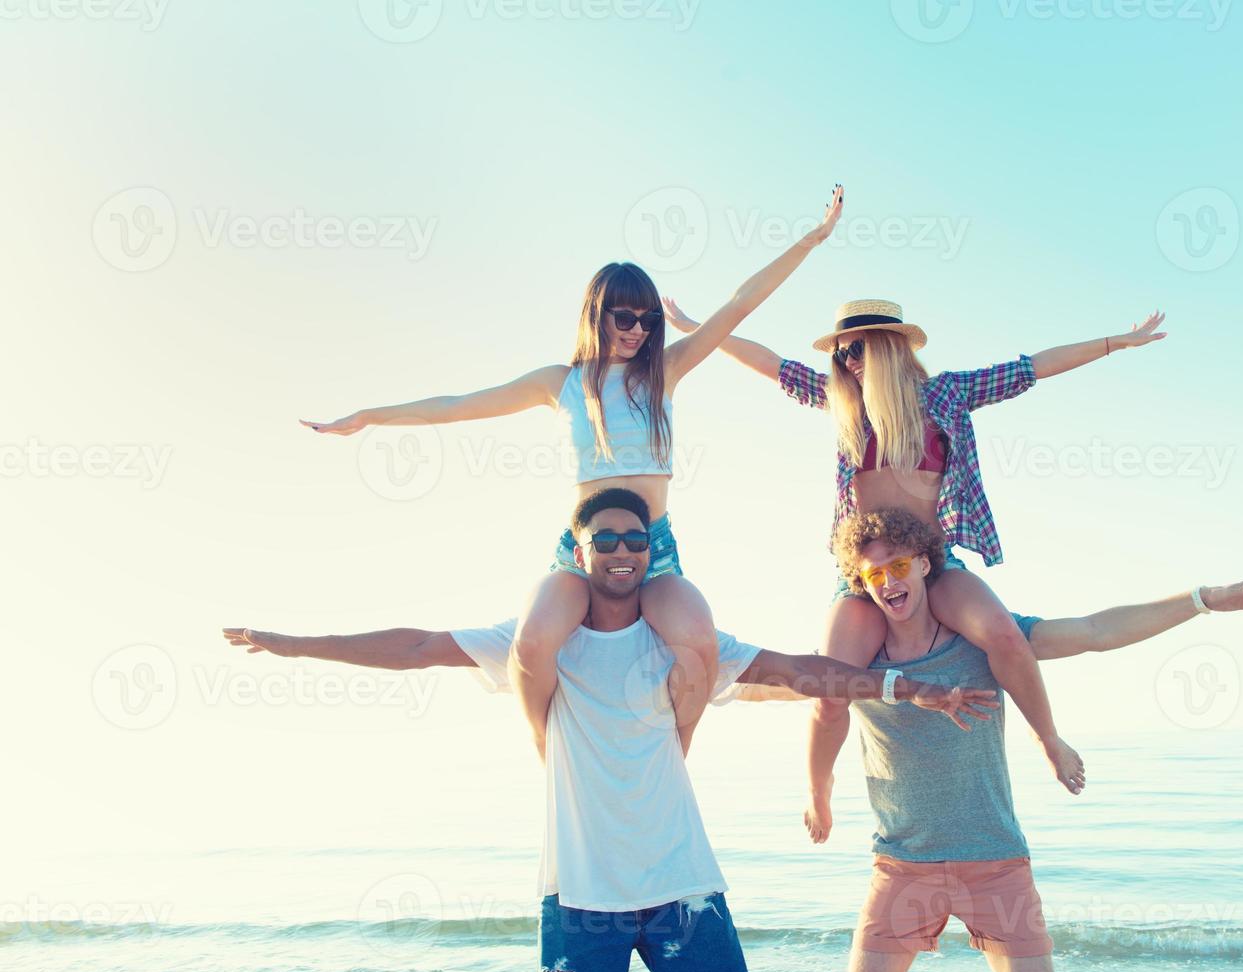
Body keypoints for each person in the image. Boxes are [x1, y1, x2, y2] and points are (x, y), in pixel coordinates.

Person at [230, 488, 997, 972]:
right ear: (580, 550)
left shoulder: (686, 644)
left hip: (683, 894)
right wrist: (298, 644)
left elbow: (805, 670)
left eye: (635, 539)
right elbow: (417, 646)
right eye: (606, 539)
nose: (623, 550)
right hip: (580, 899)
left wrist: (909, 688)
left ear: (648, 551)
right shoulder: (535, 642)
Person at [300, 185, 845, 757]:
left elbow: (740, 301)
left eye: (647, 320)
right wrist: (371, 418)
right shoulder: (560, 384)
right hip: (581, 549)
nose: (637, 329)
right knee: (532, 641)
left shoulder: (667, 372)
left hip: (650, 548)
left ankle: (676, 755)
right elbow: (458, 405)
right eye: (625, 317)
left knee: (698, 640)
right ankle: (547, 749)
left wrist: (814, 236)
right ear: (598, 315)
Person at [662, 295, 1168, 793]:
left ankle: (1049, 740)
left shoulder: (945, 395)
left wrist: (1117, 343)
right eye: (839, 354)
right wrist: (694, 325)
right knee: (831, 691)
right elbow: (769, 363)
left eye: (855, 350)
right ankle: (819, 789)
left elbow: (1031, 369)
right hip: (863, 575)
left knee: (1006, 635)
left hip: (933, 561)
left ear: (888, 347)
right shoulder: (842, 403)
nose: (846, 363)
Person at [811, 508, 1243, 972]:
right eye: (875, 574)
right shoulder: (864, 667)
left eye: (899, 566)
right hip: (901, 866)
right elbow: (810, 699)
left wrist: (1203, 599)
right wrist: (819, 795)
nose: (889, 582)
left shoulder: (983, 642)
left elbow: (1094, 631)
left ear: (924, 564)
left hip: (995, 864)